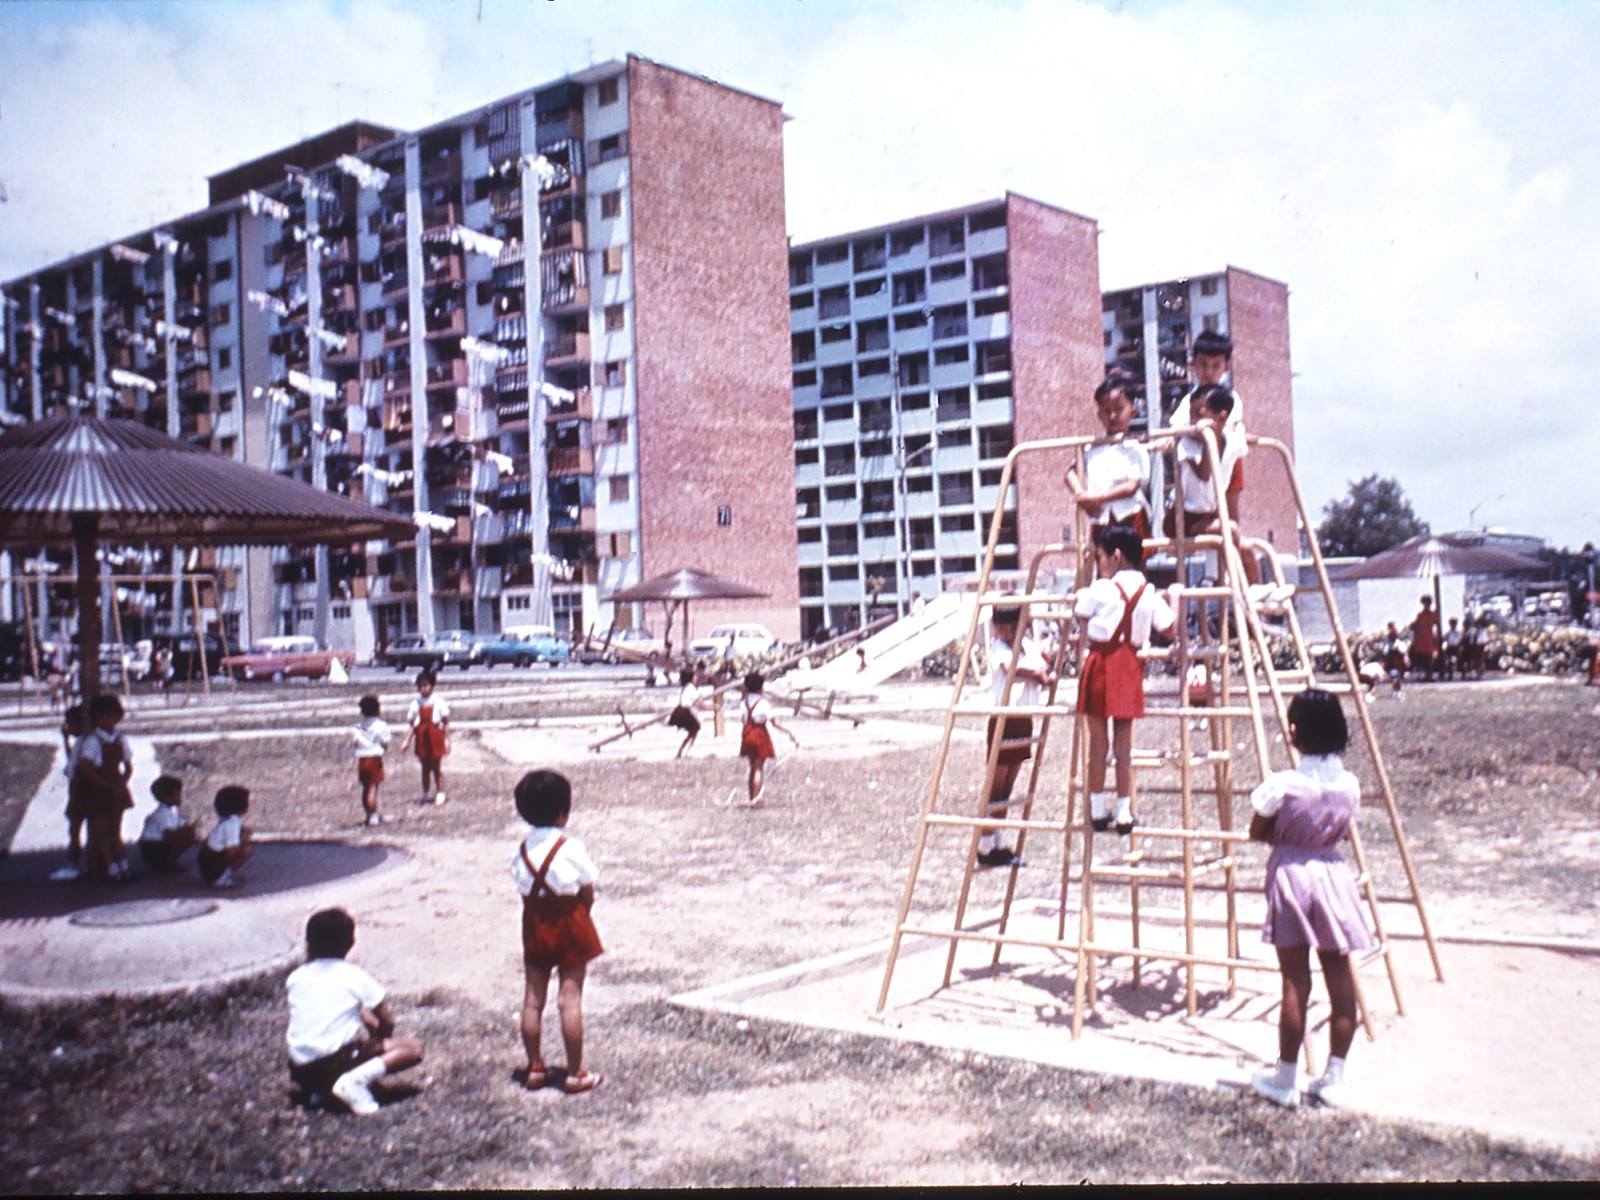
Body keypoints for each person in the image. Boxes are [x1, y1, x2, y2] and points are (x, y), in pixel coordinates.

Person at [1248, 689, 1374, 1108]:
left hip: (1291, 877)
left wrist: (1282, 837)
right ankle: (1333, 1077)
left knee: (1294, 980)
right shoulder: (1350, 785)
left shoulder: (1282, 785)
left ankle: (1285, 1078)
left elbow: (1257, 830)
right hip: (1333, 876)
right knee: (1341, 981)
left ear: (1296, 731)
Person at [1074, 524, 1177, 835]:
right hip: (1129, 666)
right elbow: (1170, 630)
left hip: (1100, 663)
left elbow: (1081, 613)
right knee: (1123, 746)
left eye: (1099, 557)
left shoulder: (1102, 588)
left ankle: (1095, 806)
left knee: (1097, 742)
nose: (1098, 564)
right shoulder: (1148, 591)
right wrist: (1175, 597)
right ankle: (1123, 810)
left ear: (1115, 557)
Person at [511, 770, 604, 1095]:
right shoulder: (570, 846)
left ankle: (535, 1066)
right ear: (564, 811)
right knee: (570, 1000)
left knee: (533, 999)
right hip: (569, 920)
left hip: (534, 922)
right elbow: (587, 888)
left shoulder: (523, 849)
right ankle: (575, 1073)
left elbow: (524, 892)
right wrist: (583, 914)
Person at [285, 907, 424, 1115]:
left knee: (340, 1051)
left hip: (299, 1068)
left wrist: (367, 1027)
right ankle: (353, 1082)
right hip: (332, 1063)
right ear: (350, 944)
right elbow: (387, 1022)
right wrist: (378, 1041)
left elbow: (346, 1011)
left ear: (308, 944)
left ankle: (322, 1091)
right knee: (413, 1049)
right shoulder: (354, 976)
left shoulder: (295, 978)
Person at [978, 606, 1057, 867]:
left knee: (1009, 785)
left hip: (1024, 719)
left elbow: (1045, 663)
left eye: (1014, 628)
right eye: (1003, 629)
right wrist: (1039, 675)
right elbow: (1011, 669)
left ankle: (997, 843)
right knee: (995, 785)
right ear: (995, 629)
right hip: (1004, 718)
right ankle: (985, 844)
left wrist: (1049, 670)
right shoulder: (998, 649)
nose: (1009, 634)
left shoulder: (1028, 646)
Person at [1066, 372, 1152, 540]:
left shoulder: (1135, 448)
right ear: (1099, 415)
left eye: (1119, 409)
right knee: (1103, 562)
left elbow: (1131, 487)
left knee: (1133, 564)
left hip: (1130, 516)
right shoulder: (1092, 447)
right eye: (1106, 411)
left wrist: (1096, 498)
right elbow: (1070, 473)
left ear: (1132, 412)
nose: (1112, 416)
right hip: (1101, 519)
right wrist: (1082, 495)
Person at [74, 693, 136, 883]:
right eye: (102, 717)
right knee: (100, 831)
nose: (108, 721)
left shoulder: (120, 739)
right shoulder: (93, 741)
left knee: (116, 831)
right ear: (95, 718)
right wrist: (106, 784)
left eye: (112, 716)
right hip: (96, 790)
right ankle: (111, 868)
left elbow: (128, 766)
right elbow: (85, 767)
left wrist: (122, 782)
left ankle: (124, 866)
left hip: (116, 788)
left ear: (118, 717)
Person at [739, 671, 796, 808]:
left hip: (747, 733)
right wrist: (789, 732)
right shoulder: (763, 703)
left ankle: (752, 796)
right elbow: (774, 722)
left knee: (752, 767)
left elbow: (743, 720)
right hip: (759, 733)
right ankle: (756, 800)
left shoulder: (744, 703)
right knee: (759, 768)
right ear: (760, 687)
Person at [49, 704, 89, 881]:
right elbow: (72, 759)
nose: (67, 726)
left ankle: (72, 864)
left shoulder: (86, 743)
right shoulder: (81, 743)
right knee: (75, 829)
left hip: (80, 792)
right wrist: (66, 740)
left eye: (69, 723)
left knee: (74, 829)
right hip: (77, 791)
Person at [399, 671, 449, 806]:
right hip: (422, 736)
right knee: (425, 767)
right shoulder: (416, 703)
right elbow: (412, 725)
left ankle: (440, 793)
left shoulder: (438, 702)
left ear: (432, 686)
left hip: (435, 736)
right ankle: (426, 793)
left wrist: (447, 739)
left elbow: (445, 722)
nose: (423, 689)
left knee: (436, 767)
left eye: (425, 685)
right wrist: (406, 741)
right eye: (420, 686)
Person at [138, 774, 198, 873]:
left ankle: (166, 863)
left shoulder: (170, 812)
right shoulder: (162, 813)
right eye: (177, 794)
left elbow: (181, 825)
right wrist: (187, 830)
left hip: (157, 846)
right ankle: (165, 864)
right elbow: (169, 836)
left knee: (189, 832)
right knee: (189, 835)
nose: (180, 797)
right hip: (152, 848)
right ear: (168, 797)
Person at [197, 785, 253, 889]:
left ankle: (220, 877)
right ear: (243, 807)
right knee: (246, 852)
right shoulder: (232, 824)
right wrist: (244, 840)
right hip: (211, 864)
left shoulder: (227, 820)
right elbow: (231, 852)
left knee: (243, 849)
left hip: (206, 860)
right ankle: (220, 879)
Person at [353, 693, 391, 827]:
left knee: (366, 788)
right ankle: (374, 817)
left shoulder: (358, 726)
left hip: (362, 759)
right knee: (373, 788)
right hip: (374, 759)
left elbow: (355, 742)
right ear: (377, 709)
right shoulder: (382, 725)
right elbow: (386, 741)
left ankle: (368, 814)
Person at [667, 668, 703, 759]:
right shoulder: (691, 687)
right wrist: (713, 707)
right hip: (685, 711)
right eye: (694, 676)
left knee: (693, 732)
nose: (696, 678)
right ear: (691, 678)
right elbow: (699, 702)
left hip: (681, 710)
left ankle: (682, 752)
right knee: (694, 730)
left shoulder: (686, 687)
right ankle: (685, 752)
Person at [1409, 596, 1439, 682]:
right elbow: (1415, 625)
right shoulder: (1420, 615)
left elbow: (1436, 626)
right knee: (1420, 658)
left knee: (1428, 658)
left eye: (1427, 603)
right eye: (1425, 603)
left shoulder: (1433, 615)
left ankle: (1429, 675)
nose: (1426, 605)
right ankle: (1422, 674)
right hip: (1420, 638)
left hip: (1428, 638)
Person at [1381, 622, 1408, 699]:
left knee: (1398, 678)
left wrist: (1406, 659)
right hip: (1392, 663)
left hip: (1398, 663)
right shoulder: (1388, 642)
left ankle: (1398, 691)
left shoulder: (1399, 643)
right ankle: (1395, 691)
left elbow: (1404, 652)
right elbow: (1385, 652)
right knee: (1393, 677)